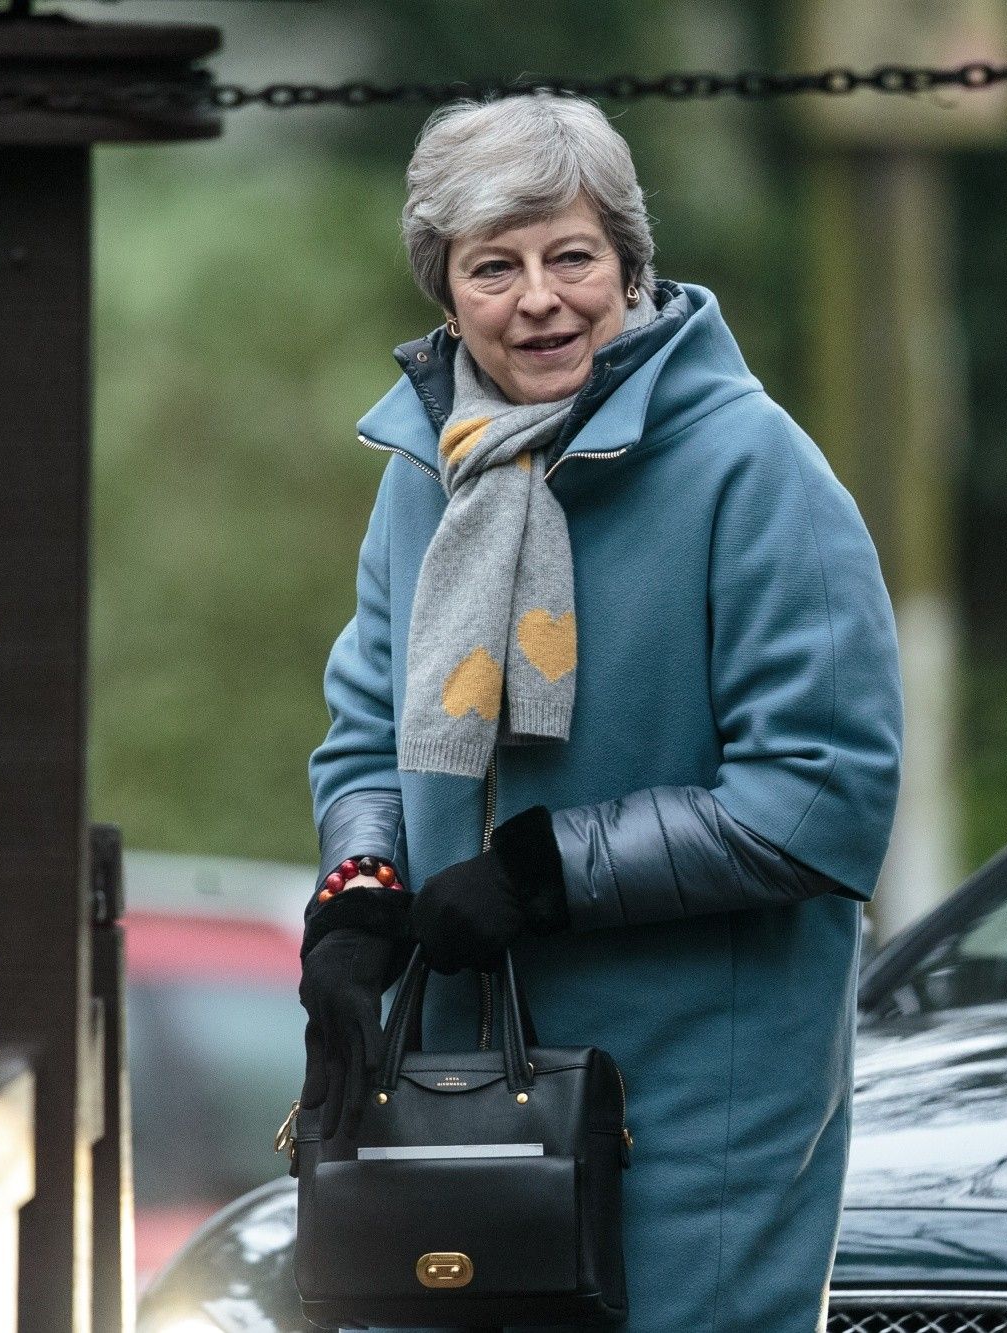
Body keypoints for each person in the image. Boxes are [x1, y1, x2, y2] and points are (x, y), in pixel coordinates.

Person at [300, 93, 903, 1332]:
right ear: (445, 292)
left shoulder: (755, 468)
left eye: (572, 256)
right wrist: (360, 889)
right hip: (454, 1100)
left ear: (630, 265)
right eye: (494, 267)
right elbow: (365, 731)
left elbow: (818, 798)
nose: (540, 299)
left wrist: (536, 873)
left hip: (693, 1119)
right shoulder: (428, 472)